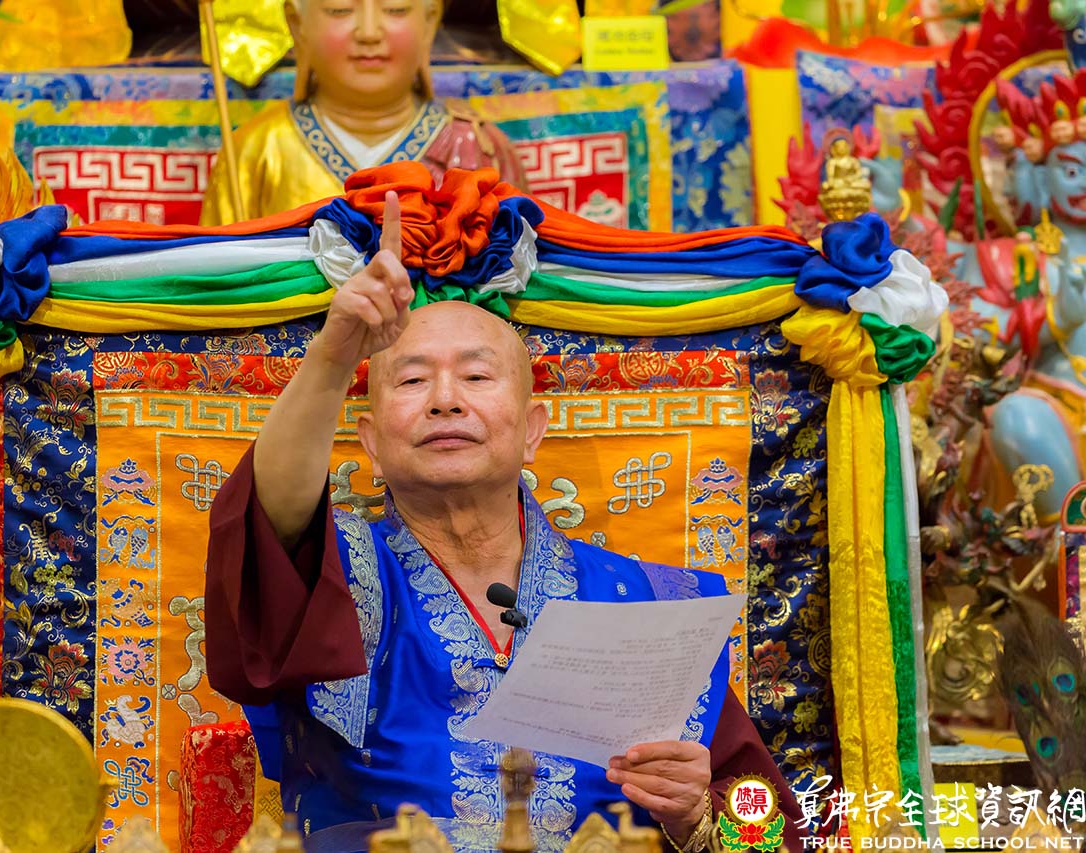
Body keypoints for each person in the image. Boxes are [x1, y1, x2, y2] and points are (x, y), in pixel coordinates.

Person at [205, 193, 805, 851]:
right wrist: (334, 353)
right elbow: (269, 519)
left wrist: (696, 817)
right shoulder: (332, 576)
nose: (445, 400)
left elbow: (770, 830)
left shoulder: (648, 607)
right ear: (371, 442)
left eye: (476, 376)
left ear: (531, 431)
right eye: (412, 381)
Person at [200, 0, 526, 224]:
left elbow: (525, 274)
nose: (369, 33)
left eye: (395, 9)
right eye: (340, 9)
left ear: (429, 21)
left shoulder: (479, 147)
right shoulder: (256, 149)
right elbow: (217, 283)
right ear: (298, 24)